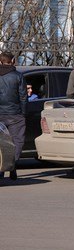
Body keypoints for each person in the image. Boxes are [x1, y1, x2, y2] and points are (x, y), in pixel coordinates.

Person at [0, 51, 27, 180]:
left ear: (0, 62)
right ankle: (12, 164)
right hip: (15, 115)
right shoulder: (18, 76)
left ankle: (3, 167)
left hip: (1, 114)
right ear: (13, 61)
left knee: (2, 143)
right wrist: (23, 113)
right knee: (17, 141)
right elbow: (23, 96)